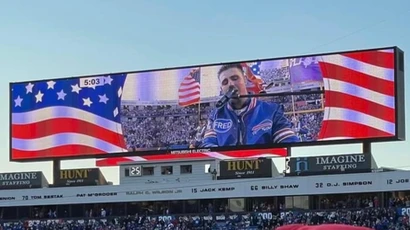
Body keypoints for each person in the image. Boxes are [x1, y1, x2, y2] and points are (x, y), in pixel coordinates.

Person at [200, 63, 299, 147]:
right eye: (225, 82)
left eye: (235, 78)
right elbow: (208, 145)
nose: (230, 84)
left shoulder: (271, 110)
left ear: (245, 80)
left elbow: (289, 142)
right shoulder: (216, 115)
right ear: (222, 89)